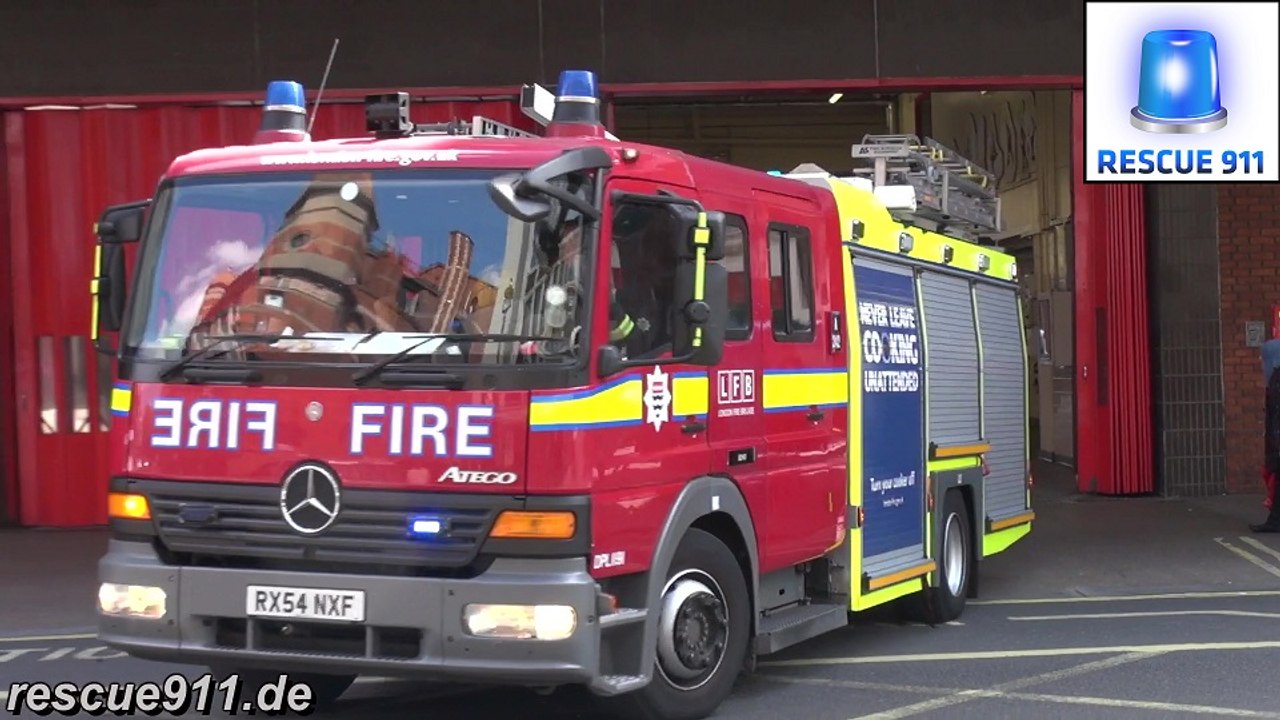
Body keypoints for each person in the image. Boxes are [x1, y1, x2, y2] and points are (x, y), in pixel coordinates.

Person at [1253, 338, 1280, 533]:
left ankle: (1275, 520)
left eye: (1264, 357)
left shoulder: (1277, 379)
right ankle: (1275, 519)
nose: (1262, 361)